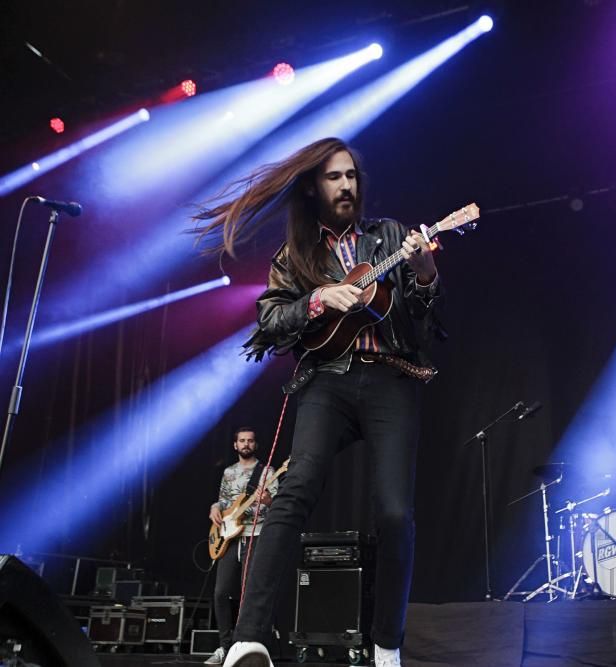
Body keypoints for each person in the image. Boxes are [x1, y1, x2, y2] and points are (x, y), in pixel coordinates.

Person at [193, 138, 442, 667]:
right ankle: (249, 637)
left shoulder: (391, 236)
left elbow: (422, 319)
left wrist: (423, 274)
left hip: (391, 376)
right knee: (293, 490)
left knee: (396, 513)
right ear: (314, 186)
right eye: (334, 177)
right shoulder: (296, 256)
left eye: (352, 175)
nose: (347, 185)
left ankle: (387, 644)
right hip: (325, 381)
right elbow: (269, 322)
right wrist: (317, 299)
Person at [205, 428, 278, 665]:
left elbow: (278, 504)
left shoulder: (267, 471)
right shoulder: (229, 472)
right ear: (235, 445)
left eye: (250, 441)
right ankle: (225, 647)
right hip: (229, 537)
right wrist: (215, 507)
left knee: (249, 593)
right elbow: (224, 500)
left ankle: (246, 645)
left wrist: (268, 500)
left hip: (255, 535)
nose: (246, 444)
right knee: (220, 592)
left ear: (256, 445)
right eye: (242, 441)